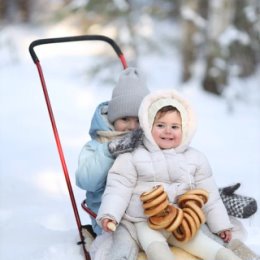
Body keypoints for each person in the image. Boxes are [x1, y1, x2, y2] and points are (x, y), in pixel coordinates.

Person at [97, 89, 244, 260]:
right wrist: (110, 215)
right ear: (148, 125)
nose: (168, 131)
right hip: (144, 221)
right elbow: (118, 189)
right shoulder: (131, 156)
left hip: (180, 220)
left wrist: (221, 225)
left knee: (204, 244)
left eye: (175, 127)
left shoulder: (195, 158)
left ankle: (227, 257)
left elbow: (210, 195)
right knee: (156, 247)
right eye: (160, 125)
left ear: (185, 129)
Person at [75, 67, 150, 259]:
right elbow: (86, 180)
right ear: (112, 118)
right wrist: (110, 150)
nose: (132, 127)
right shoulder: (97, 145)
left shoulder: (150, 141)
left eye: (138, 120)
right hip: (109, 221)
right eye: (125, 119)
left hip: (146, 214)